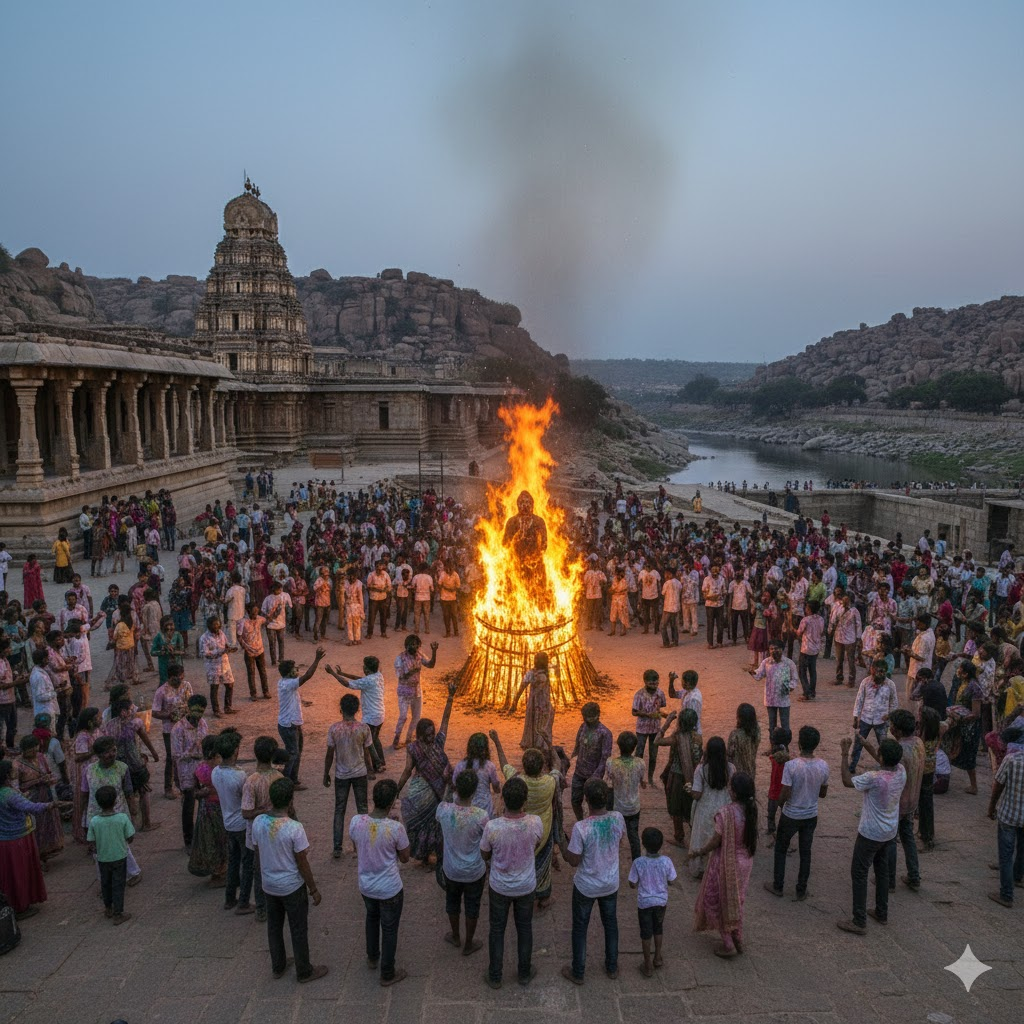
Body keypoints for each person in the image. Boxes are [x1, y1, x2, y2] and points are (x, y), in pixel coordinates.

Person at [252, 777, 328, 983]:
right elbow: (302, 862)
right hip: (292, 886)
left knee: (274, 926)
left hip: (269, 884)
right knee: (298, 928)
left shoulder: (259, 822)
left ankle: (278, 965)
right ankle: (304, 970)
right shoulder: (294, 828)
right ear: (291, 800)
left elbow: (257, 853)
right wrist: (313, 889)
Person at [489, 728, 564, 912]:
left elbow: (504, 764)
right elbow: (558, 764)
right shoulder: (550, 782)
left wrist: (497, 741)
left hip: (522, 830)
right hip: (543, 830)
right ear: (542, 766)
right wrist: (548, 743)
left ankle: (519, 888)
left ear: (523, 765)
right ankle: (543, 897)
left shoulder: (518, 780)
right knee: (543, 863)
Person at [837, 736, 906, 935]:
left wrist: (844, 753)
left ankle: (859, 921)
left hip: (870, 833)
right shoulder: (901, 771)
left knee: (859, 873)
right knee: (882, 871)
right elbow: (885, 760)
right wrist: (867, 745)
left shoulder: (873, 777)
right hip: (889, 831)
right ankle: (881, 912)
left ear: (881, 757)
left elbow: (846, 780)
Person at [560, 777, 625, 984]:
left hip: (586, 886)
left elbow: (574, 860)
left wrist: (564, 847)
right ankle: (612, 966)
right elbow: (619, 842)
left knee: (580, 928)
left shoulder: (581, 828)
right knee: (611, 924)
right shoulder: (618, 818)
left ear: (586, 799)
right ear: (606, 797)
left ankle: (578, 972)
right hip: (610, 882)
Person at [481, 775, 544, 989]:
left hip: (500, 886)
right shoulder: (535, 822)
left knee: (497, 930)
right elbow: (535, 845)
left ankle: (495, 975)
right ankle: (524, 973)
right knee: (524, 929)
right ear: (525, 801)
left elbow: (484, 854)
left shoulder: (492, 827)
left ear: (503, 800)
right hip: (526, 885)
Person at [690, 771, 758, 958]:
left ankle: (728, 943)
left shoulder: (725, 813)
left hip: (727, 861)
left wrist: (700, 851)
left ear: (734, 792)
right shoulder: (751, 809)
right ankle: (737, 936)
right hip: (745, 862)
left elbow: (715, 841)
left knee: (720, 900)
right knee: (737, 900)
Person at [349, 777, 411, 986]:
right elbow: (405, 857)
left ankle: (372, 956)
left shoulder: (357, 822)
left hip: (366, 885)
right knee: (390, 928)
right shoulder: (395, 828)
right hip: (389, 888)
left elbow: (357, 846)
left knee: (372, 918)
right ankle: (387, 972)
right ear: (392, 802)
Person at [763, 725, 828, 900]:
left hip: (791, 814)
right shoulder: (823, 766)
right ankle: (801, 889)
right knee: (805, 852)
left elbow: (784, 793)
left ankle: (778, 886)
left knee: (781, 849)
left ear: (799, 743)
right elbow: (823, 793)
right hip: (810, 814)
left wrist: (778, 804)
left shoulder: (791, 766)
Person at [396, 681, 457, 863]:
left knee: (436, 824)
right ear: (420, 735)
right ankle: (425, 855)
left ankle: (433, 854)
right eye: (428, 735)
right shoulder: (414, 748)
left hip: (439, 792)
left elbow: (445, 721)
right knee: (425, 823)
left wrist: (450, 698)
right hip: (423, 791)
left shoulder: (437, 743)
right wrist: (397, 789)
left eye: (433, 733)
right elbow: (407, 770)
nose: (431, 737)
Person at [435, 767, 488, 956]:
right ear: (474, 792)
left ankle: (456, 936)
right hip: (474, 870)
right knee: (472, 907)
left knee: (452, 903)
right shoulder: (481, 816)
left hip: (451, 869)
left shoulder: (444, 810)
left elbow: (443, 802)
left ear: (456, 789)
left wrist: (448, 785)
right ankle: (469, 943)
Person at [0, 758, 56, 918]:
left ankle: (14, 904)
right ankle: (21, 906)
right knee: (20, 874)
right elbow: (30, 807)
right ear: (7, 775)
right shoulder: (9, 794)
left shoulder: (6, 793)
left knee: (10, 875)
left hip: (5, 840)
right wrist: (50, 805)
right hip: (18, 839)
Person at [324, 693, 375, 858]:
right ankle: (364, 843)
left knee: (339, 810)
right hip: (360, 772)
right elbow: (367, 753)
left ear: (341, 709)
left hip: (341, 774)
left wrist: (326, 773)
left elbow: (330, 754)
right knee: (363, 809)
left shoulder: (334, 729)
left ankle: (337, 847)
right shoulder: (363, 728)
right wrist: (370, 770)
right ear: (357, 709)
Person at [211, 730, 256, 915]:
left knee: (233, 861)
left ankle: (230, 898)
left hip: (228, 821)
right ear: (235, 751)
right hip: (242, 824)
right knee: (247, 863)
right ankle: (243, 901)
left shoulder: (216, 772)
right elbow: (247, 800)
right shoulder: (239, 776)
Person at [629, 826, 677, 978]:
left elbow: (632, 883)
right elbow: (672, 880)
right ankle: (657, 957)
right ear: (661, 844)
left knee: (645, 933)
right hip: (661, 902)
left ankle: (647, 964)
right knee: (658, 928)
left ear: (643, 844)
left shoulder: (638, 862)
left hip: (644, 902)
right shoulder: (666, 861)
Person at [327, 655, 387, 772]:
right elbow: (359, 679)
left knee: (367, 743)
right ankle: (380, 762)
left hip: (370, 716)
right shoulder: (378, 676)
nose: (363, 667)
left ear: (367, 669)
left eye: (364, 666)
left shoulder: (368, 680)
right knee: (374, 739)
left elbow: (347, 684)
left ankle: (377, 765)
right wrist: (343, 673)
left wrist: (333, 673)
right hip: (380, 714)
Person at [276, 648, 327, 787]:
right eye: (294, 669)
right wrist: (317, 659)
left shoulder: (284, 682)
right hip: (289, 725)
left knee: (296, 752)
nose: (297, 670)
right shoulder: (288, 684)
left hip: (290, 724)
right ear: (289, 673)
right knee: (293, 753)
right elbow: (307, 676)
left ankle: (292, 780)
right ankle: (287, 782)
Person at [87, 784, 135, 925]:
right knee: (118, 884)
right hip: (119, 856)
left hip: (103, 858)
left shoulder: (94, 821)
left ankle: (108, 908)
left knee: (106, 883)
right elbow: (130, 837)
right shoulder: (122, 818)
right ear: (115, 801)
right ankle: (118, 913)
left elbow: (91, 841)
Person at [988, 725, 1024, 907]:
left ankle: (1006, 894)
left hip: (1009, 814)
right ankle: (1018, 877)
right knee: (1022, 849)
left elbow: (998, 785)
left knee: (1006, 854)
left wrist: (991, 807)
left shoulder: (1011, 760)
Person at [655, 709, 702, 848]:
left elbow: (657, 741)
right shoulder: (698, 737)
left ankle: (679, 837)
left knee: (676, 807)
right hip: (693, 776)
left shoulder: (677, 737)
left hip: (677, 776)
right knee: (691, 805)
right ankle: (695, 836)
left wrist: (667, 722)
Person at [688, 736, 734, 878]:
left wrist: (689, 790)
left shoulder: (701, 770)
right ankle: (718, 869)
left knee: (702, 838)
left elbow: (697, 794)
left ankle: (700, 869)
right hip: (724, 808)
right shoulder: (730, 768)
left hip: (705, 809)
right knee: (719, 840)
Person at [171, 695, 209, 850]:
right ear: (188, 708)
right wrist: (194, 754)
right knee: (189, 805)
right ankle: (189, 840)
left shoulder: (203, 723)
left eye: (201, 711)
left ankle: (202, 835)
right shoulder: (178, 729)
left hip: (202, 770)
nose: (197, 715)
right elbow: (176, 755)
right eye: (195, 710)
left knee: (205, 804)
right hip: (186, 772)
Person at [188, 733, 228, 883]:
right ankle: (219, 872)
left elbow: (194, 791)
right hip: (216, 809)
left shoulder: (199, 768)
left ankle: (218, 871)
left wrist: (202, 793)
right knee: (220, 840)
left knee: (212, 840)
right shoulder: (216, 770)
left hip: (206, 809)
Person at [848, 660, 899, 774]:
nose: (881, 674)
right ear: (872, 670)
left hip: (881, 721)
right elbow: (859, 699)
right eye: (878, 671)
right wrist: (855, 717)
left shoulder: (890, 684)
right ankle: (852, 766)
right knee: (858, 745)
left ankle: (885, 766)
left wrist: (889, 715)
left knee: (883, 746)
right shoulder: (865, 682)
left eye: (883, 672)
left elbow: (894, 703)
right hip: (865, 719)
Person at [151, 664, 193, 800]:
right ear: (170, 678)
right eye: (177, 679)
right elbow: (154, 712)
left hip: (186, 726)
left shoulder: (186, 686)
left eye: (181, 677)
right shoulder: (161, 691)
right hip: (169, 729)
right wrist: (169, 715)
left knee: (187, 754)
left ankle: (184, 783)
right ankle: (168, 787)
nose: (180, 681)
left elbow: (191, 703)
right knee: (171, 757)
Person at [604, 731, 646, 860]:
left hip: (618, 807)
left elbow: (608, 782)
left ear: (619, 745)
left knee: (614, 836)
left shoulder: (611, 763)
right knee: (634, 836)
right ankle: (636, 862)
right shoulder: (640, 763)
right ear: (634, 747)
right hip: (634, 807)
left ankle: (611, 861)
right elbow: (642, 782)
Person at [392, 635, 438, 750]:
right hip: (404, 691)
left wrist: (434, 652)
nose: (414, 647)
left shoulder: (419, 655)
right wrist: (413, 671)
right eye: (412, 645)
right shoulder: (400, 659)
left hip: (417, 690)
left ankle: (408, 738)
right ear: (406, 646)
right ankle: (396, 740)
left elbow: (431, 665)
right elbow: (401, 677)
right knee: (403, 716)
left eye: (416, 645)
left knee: (416, 717)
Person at [569, 702, 613, 821]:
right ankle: (581, 821)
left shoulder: (605, 733)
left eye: (589, 717)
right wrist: (570, 763)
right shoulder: (582, 727)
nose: (586, 720)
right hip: (579, 772)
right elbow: (577, 747)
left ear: (597, 715)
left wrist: (596, 776)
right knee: (575, 800)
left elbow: (605, 758)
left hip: (594, 775)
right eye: (584, 717)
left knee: (593, 804)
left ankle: (592, 823)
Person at [511, 652, 554, 766]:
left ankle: (536, 749)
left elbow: (522, 687)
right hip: (544, 706)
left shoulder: (532, 673)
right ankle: (541, 749)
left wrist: (515, 702)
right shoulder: (545, 672)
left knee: (535, 726)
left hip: (535, 706)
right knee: (543, 727)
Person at [750, 640, 797, 735]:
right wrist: (752, 672)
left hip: (783, 699)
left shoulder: (789, 663)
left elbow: (794, 679)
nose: (773, 651)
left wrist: (790, 686)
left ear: (782, 649)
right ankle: (773, 742)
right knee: (772, 725)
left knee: (785, 725)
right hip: (770, 699)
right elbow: (759, 675)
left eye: (776, 648)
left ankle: (786, 742)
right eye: (771, 649)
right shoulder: (766, 662)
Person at [452, 733, 502, 817]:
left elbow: (454, 784)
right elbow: (496, 788)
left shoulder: (460, 765)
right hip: (485, 808)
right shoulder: (489, 766)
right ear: (485, 749)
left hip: (465, 808)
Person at [631, 669, 667, 786]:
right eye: (652, 683)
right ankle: (637, 777)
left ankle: (650, 778)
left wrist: (666, 716)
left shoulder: (660, 693)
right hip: (642, 729)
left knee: (653, 755)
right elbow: (634, 712)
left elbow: (659, 709)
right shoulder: (639, 695)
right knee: (639, 752)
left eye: (656, 683)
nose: (654, 686)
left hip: (655, 728)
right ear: (645, 682)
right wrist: (647, 715)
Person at [198, 616, 238, 718]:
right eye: (214, 625)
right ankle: (216, 710)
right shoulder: (204, 638)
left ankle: (227, 707)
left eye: (218, 624)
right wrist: (220, 652)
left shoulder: (221, 633)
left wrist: (231, 648)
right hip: (212, 667)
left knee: (230, 685)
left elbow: (226, 644)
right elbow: (205, 654)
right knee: (214, 688)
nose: (217, 626)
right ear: (209, 626)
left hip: (225, 665)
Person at [236, 603, 270, 701]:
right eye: (254, 612)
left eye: (257, 611)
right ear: (248, 611)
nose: (256, 613)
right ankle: (253, 693)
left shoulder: (259, 619)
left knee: (262, 672)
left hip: (260, 650)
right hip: (249, 652)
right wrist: (245, 647)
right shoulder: (242, 622)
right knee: (251, 673)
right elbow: (239, 637)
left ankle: (265, 691)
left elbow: (268, 620)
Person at [727, 703, 761, 779]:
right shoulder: (757, 731)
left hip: (738, 773)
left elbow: (729, 754)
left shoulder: (735, 735)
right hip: (751, 770)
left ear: (739, 718)